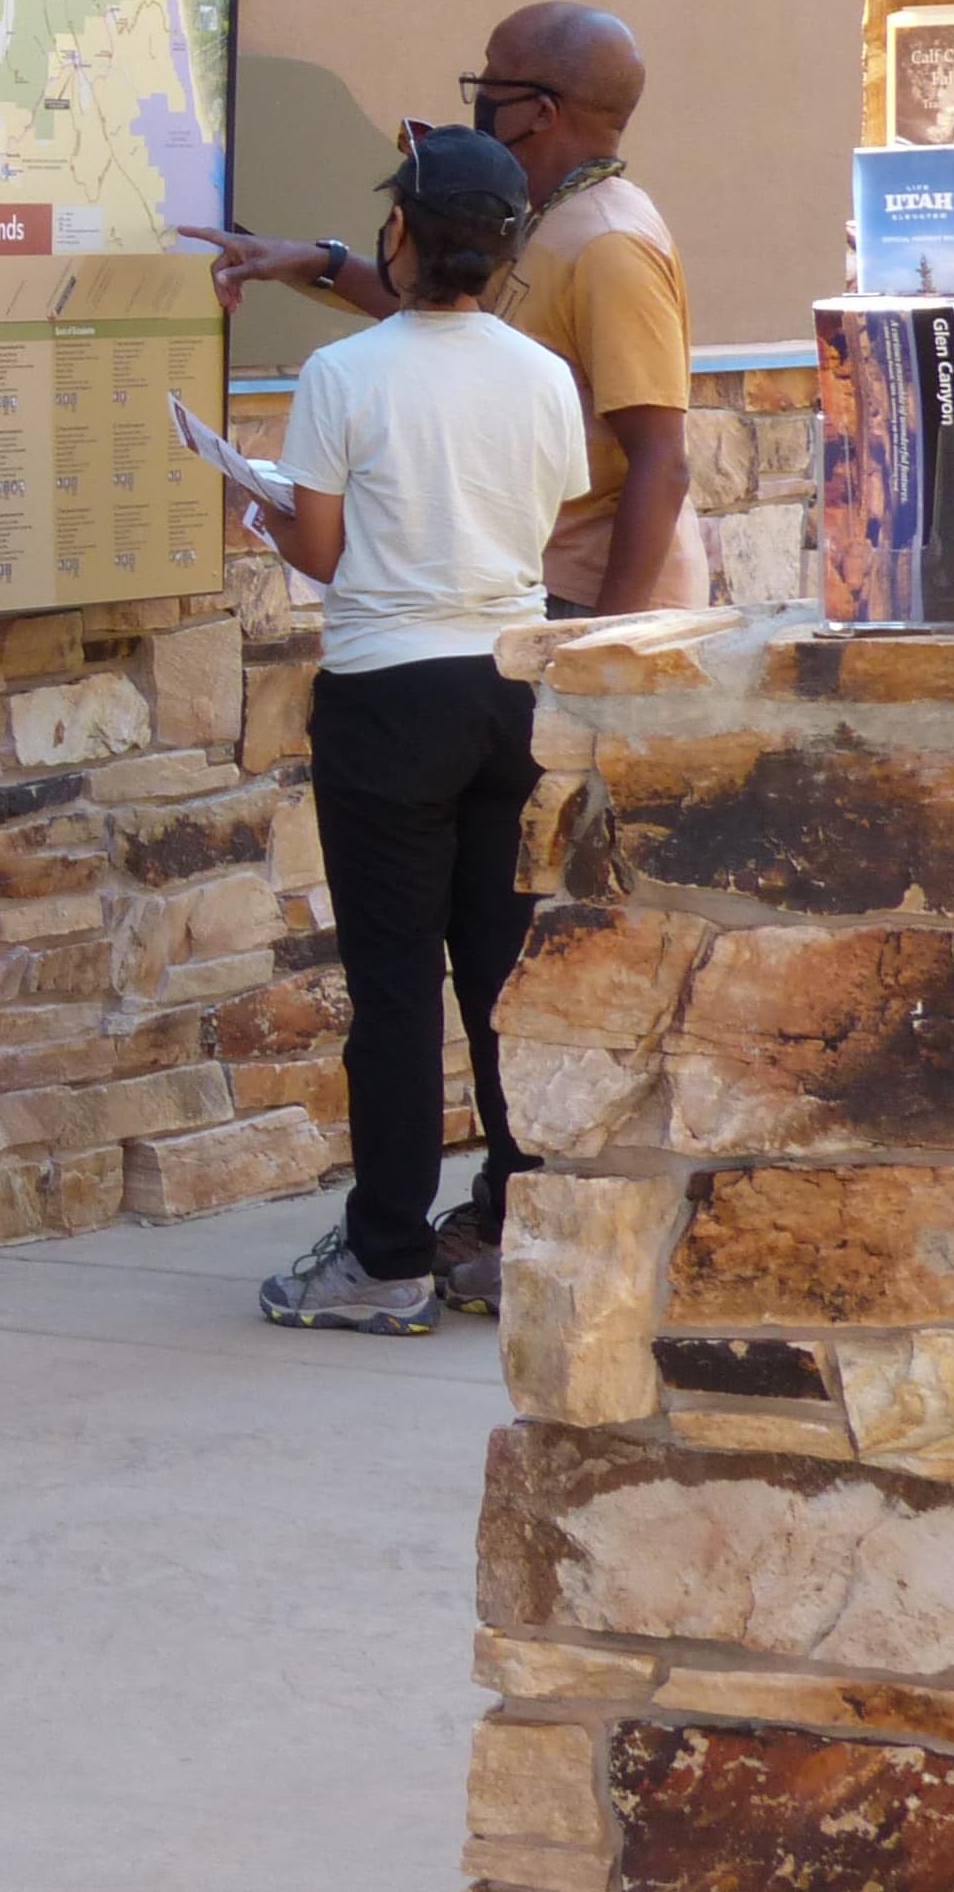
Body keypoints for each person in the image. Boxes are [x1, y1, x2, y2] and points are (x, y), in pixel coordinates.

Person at [242, 128, 587, 1336]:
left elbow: (324, 553)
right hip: (512, 690)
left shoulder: (344, 374)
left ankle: (387, 1254)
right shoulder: (544, 376)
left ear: (401, 233)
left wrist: (260, 507)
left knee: (396, 991)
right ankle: (511, 1232)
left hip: (391, 694)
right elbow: (534, 524)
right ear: (498, 253)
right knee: (500, 978)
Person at [186, 1, 700, 615]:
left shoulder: (611, 245)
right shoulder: (544, 214)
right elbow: (447, 305)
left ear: (543, 111)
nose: (477, 101)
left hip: (588, 602)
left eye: (490, 83)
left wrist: (602, 643)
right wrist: (311, 262)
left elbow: (661, 459)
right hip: (534, 586)